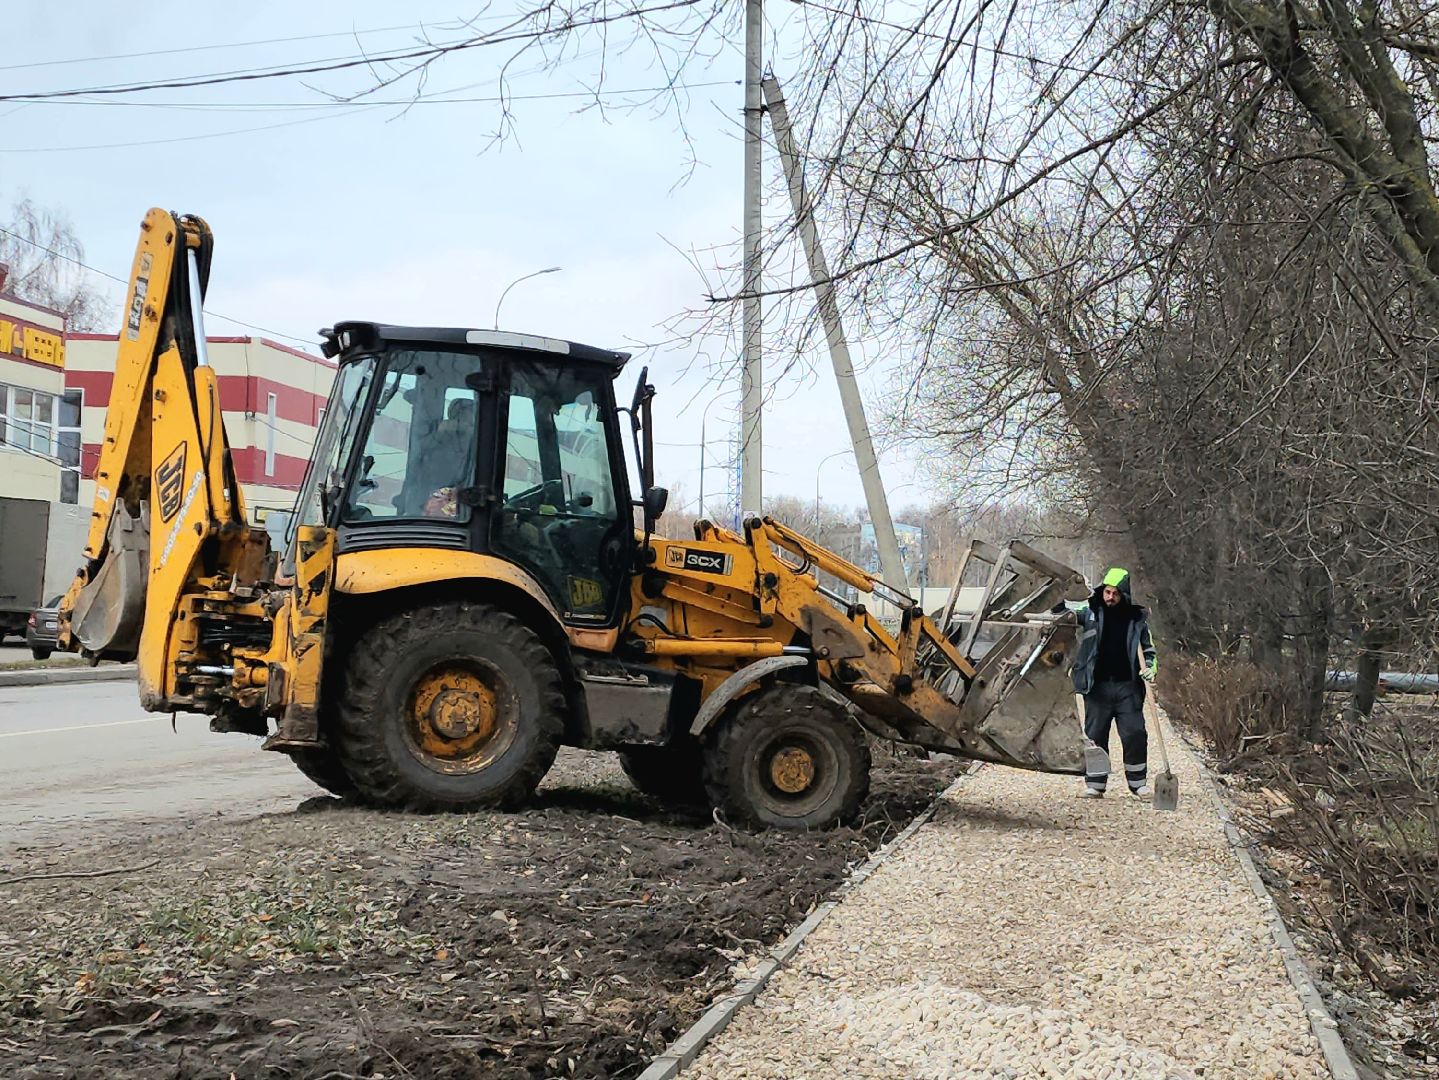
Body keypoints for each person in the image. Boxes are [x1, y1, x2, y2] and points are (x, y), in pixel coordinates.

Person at [1067, 567, 1158, 798]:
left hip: (1128, 687)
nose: (1110, 598)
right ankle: (1096, 784)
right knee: (1095, 735)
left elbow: (1149, 650)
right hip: (1097, 686)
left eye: (1115, 594)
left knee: (1135, 733)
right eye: (1107, 592)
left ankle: (1138, 783)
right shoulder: (1088, 613)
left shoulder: (1137, 620)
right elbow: (1063, 617)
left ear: (1124, 595)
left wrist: (1150, 667)